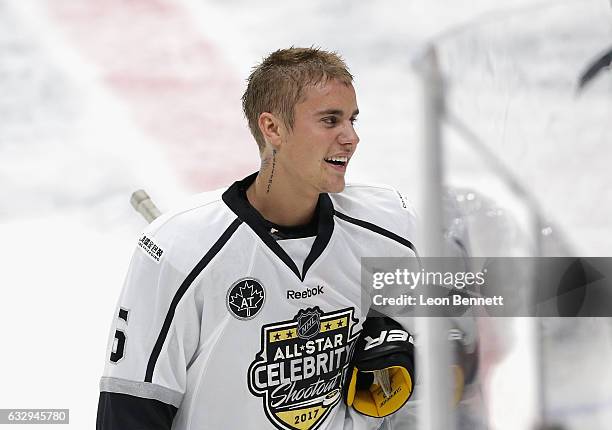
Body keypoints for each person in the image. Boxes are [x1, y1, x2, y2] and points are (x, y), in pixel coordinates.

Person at [96, 47, 420, 430]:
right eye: (330, 120)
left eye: (352, 119)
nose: (351, 137)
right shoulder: (180, 250)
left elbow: (455, 357)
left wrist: (408, 348)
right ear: (273, 129)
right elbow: (130, 413)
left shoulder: (388, 225)